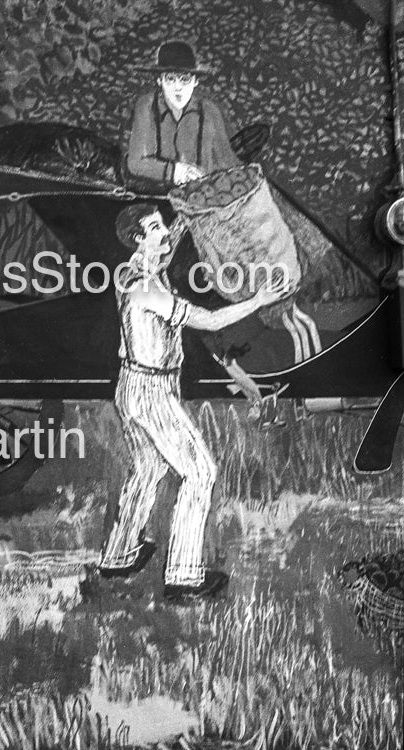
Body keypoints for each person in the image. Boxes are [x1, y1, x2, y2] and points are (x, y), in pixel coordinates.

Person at [99, 204, 288, 597]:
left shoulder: (137, 268)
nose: (164, 232)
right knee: (199, 473)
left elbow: (166, 246)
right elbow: (209, 320)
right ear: (138, 238)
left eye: (163, 224)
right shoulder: (146, 286)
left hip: (133, 385)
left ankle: (117, 556)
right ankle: (184, 578)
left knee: (148, 470)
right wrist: (258, 300)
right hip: (151, 392)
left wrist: (185, 207)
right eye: (155, 227)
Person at [123, 40, 240, 188]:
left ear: (195, 81)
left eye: (185, 79)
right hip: (156, 198)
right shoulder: (146, 106)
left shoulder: (209, 111)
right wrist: (175, 172)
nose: (178, 87)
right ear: (159, 80)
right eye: (170, 79)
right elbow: (134, 164)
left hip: (201, 198)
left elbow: (227, 162)